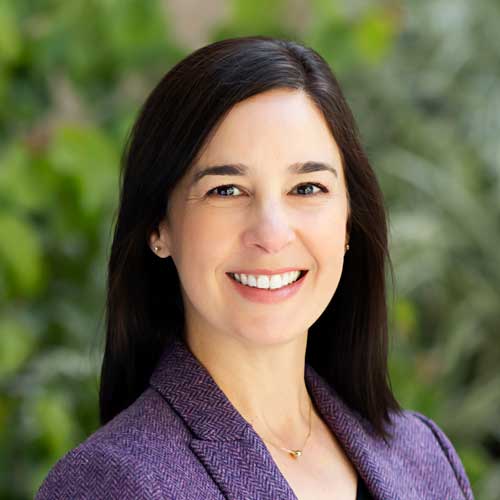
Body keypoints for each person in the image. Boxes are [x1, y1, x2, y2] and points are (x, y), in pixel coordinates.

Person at [35, 35, 474, 500]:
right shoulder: (112, 482)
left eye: (306, 188)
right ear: (158, 227)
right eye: (226, 190)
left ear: (349, 220)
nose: (271, 233)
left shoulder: (423, 456)